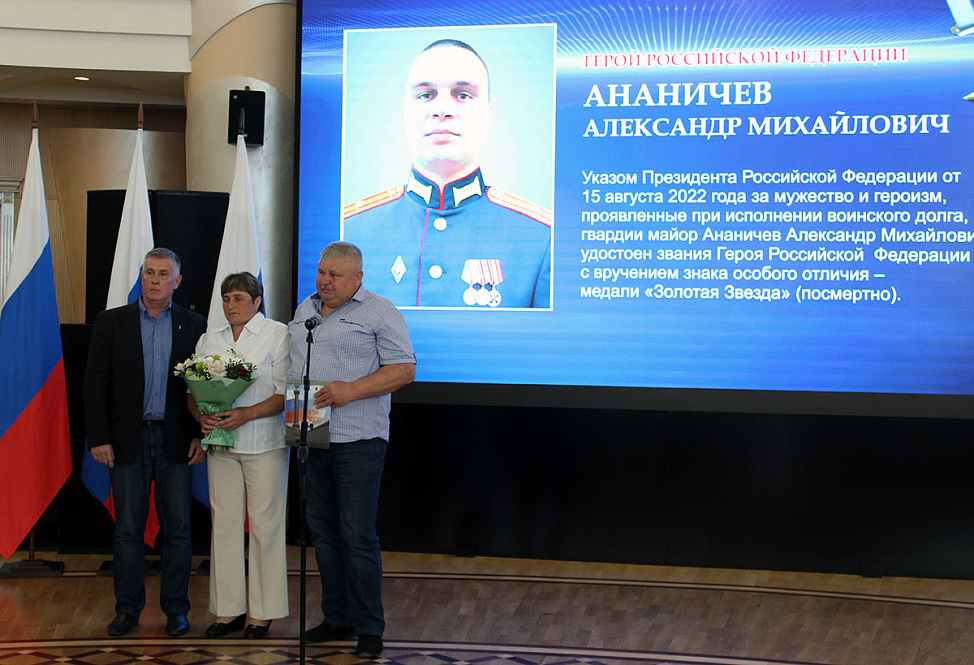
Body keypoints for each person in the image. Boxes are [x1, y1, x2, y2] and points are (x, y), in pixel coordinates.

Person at [343, 38, 552, 309]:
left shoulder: (540, 239)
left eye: (462, 95)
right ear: (405, 112)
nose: (442, 110)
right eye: (425, 95)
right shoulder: (350, 230)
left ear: (488, 115)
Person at [289, 242, 416, 658]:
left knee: (356, 535)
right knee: (323, 534)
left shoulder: (379, 311)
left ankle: (369, 627)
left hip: (358, 440)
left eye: (335, 275)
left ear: (358, 278)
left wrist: (351, 390)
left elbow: (404, 368)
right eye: (321, 272)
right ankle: (337, 616)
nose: (324, 281)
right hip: (312, 437)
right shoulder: (305, 310)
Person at [84, 248, 207, 638]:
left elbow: (202, 389)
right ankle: (127, 610)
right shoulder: (111, 322)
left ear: (177, 281)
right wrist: (99, 437)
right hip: (126, 441)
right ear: (141, 276)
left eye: (163, 274)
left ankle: (176, 610)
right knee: (127, 531)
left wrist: (201, 436)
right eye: (149, 272)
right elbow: (94, 385)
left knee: (178, 531)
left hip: (176, 441)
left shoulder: (195, 325)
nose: (155, 280)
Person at [189, 272, 290, 640]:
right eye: (227, 298)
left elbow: (285, 393)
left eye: (239, 298)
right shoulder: (209, 338)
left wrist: (247, 413)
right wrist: (200, 415)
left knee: (265, 527)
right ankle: (229, 610)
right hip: (221, 443)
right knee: (224, 524)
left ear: (257, 301)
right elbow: (192, 390)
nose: (231, 305)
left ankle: (263, 614)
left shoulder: (277, 334)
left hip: (264, 442)